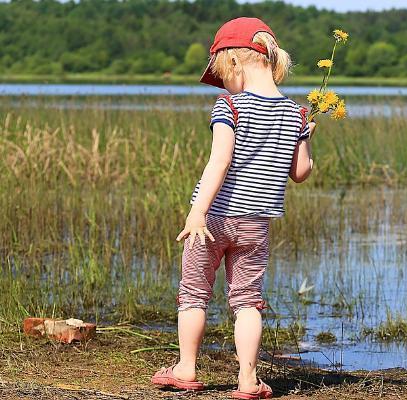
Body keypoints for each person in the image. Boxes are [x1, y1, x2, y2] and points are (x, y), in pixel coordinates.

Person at [151, 17, 315, 399]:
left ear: (235, 64)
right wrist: (305, 136)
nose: (223, 83)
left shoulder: (229, 105)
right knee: (247, 301)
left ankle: (186, 368)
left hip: (212, 219)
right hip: (256, 224)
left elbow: (219, 162)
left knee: (193, 294)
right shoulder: (297, 113)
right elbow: (301, 172)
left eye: (222, 74)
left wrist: (197, 212)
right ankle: (247, 379)